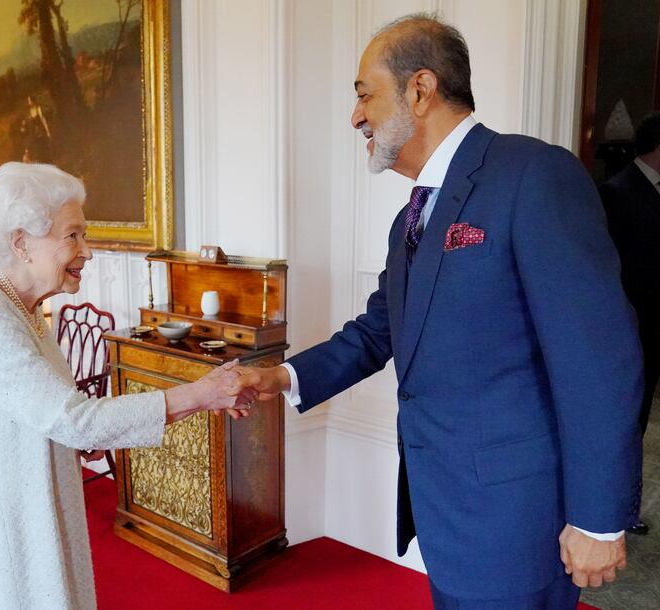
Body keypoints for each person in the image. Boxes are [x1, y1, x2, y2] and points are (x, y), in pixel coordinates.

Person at [236, 13, 643, 609]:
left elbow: (599, 357)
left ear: (420, 90)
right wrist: (282, 377)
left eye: (364, 95)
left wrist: (599, 518)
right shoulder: (412, 217)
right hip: (443, 512)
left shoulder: (533, 176)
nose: (356, 116)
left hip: (515, 522)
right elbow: (380, 329)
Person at [0, 162, 254, 610]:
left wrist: (67, 441)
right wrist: (201, 393)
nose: (88, 251)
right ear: (21, 243)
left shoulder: (22, 309)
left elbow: (41, 413)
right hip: (10, 528)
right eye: (72, 235)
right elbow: (74, 418)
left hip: (41, 508)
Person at [599, 112, 660, 536]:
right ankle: (612, 512)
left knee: (636, 426)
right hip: (629, 334)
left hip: (653, 333)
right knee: (621, 426)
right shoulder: (614, 193)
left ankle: (624, 510)